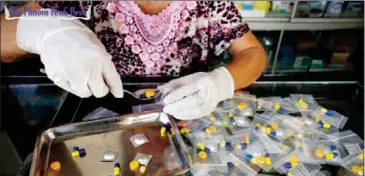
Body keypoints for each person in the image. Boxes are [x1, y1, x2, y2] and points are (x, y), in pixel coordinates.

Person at [1, 1, 266, 120]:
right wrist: (48, 30)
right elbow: (7, 27)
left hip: (186, 118)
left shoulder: (208, 3)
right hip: (104, 123)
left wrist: (218, 83)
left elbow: (253, 53)